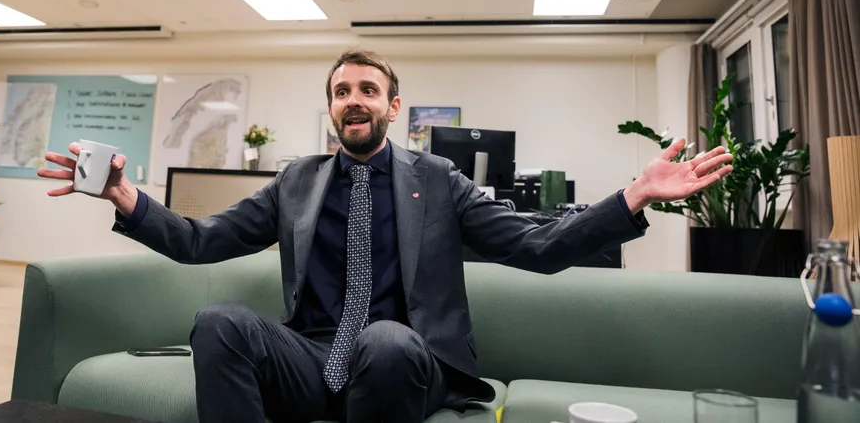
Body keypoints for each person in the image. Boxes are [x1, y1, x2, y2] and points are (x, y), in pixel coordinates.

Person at [40, 49, 733, 423]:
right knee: (218, 321)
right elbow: (200, 240)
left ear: (392, 107)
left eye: (368, 90)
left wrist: (634, 195)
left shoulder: (439, 180)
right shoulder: (296, 181)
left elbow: (539, 247)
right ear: (331, 108)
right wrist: (126, 197)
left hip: (408, 362)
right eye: (342, 91)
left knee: (386, 338)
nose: (355, 100)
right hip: (313, 357)